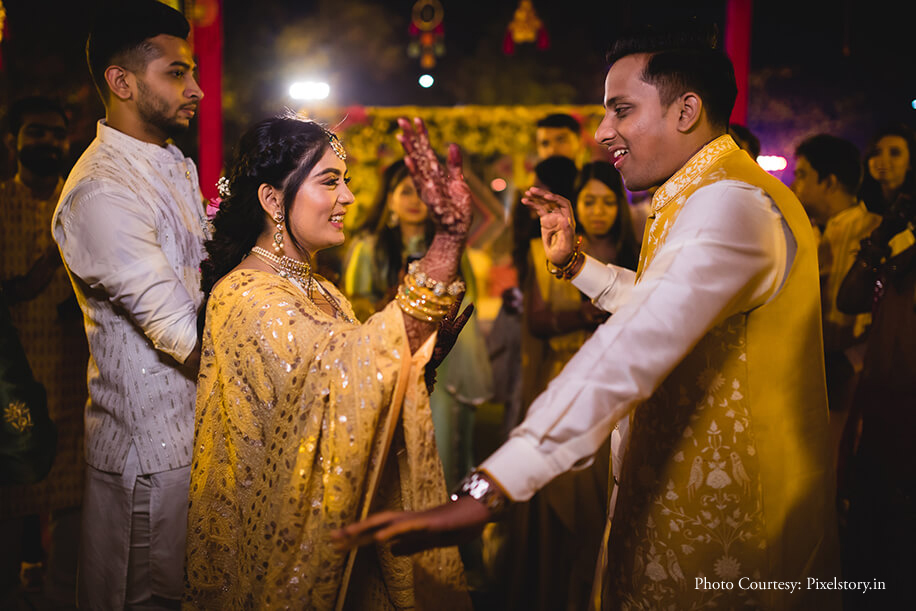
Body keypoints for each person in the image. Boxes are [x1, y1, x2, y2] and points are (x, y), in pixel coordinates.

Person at [337, 23, 841, 610]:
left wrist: (491, 487)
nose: (604, 134)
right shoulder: (702, 193)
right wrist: (577, 265)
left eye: (621, 111)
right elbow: (665, 302)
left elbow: (640, 338)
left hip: (735, 535)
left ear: (686, 111)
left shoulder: (730, 203)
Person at [185, 115, 473, 610]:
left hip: (345, 535)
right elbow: (343, 377)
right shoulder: (244, 295)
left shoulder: (325, 292)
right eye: (330, 181)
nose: (349, 198)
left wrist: (413, 367)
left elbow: (350, 394)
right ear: (273, 200)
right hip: (283, 550)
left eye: (348, 182)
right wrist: (444, 244)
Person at [51, 2, 206, 607]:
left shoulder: (173, 162)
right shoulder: (101, 191)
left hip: (198, 439)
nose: (194, 89)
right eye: (176, 73)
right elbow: (184, 333)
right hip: (151, 457)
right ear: (122, 82)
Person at [506, 160, 639, 611]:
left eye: (608, 201)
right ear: (577, 207)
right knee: (562, 491)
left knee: (605, 499)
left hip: (619, 386)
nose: (599, 211)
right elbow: (539, 321)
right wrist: (588, 313)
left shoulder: (637, 250)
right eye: (590, 202)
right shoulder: (546, 250)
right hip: (565, 374)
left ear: (620, 207)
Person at [343, 159, 493, 491]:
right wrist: (393, 302)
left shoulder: (449, 248)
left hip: (443, 363)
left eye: (423, 193)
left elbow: (467, 301)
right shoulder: (369, 248)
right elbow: (354, 310)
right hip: (386, 364)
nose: (415, 201)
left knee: (442, 447)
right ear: (391, 199)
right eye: (406, 192)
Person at [0, 96, 87, 606]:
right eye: (36, 133)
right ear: (13, 141)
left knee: (74, 504)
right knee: (10, 501)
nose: (48, 144)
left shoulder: (80, 204)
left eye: (56, 135)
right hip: (11, 378)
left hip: (73, 373)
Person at [835, 132, 915, 611]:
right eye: (877, 152)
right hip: (879, 407)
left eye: (897, 152)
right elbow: (849, 300)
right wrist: (883, 237)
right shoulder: (888, 229)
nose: (882, 162)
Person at [791, 135, 878, 419]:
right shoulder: (801, 234)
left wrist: (852, 360)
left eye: (802, 175)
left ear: (829, 182)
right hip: (800, 377)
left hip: (858, 383)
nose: (794, 186)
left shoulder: (879, 235)